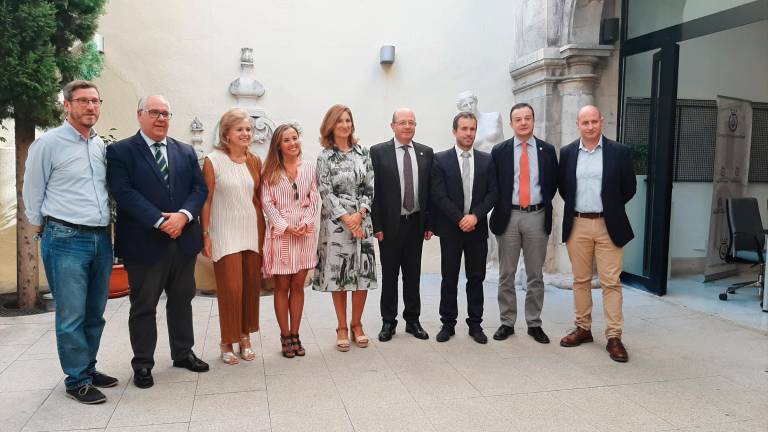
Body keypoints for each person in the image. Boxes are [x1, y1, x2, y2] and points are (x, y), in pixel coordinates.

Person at [22, 80, 117, 404]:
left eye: (95, 101)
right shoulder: (48, 144)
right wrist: (41, 231)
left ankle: (87, 368)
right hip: (65, 238)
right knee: (71, 314)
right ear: (67, 104)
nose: (91, 107)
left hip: (101, 238)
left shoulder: (98, 145)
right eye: (83, 101)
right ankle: (76, 379)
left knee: (95, 312)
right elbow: (32, 191)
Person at [106, 95, 209, 389]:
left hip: (183, 241)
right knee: (144, 305)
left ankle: (183, 352)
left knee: (182, 300)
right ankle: (143, 364)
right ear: (140, 115)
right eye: (154, 112)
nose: (161, 118)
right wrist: (161, 220)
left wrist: (183, 216)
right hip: (144, 244)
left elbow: (198, 189)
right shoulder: (120, 151)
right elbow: (123, 193)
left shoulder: (185, 151)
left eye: (165, 113)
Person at [558, 105, 637, 363]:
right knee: (580, 280)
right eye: (585, 123)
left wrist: (611, 208)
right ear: (578, 125)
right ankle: (583, 328)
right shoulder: (568, 153)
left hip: (608, 225)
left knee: (610, 282)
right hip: (578, 223)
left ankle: (614, 336)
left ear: (601, 121)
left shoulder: (620, 152)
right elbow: (564, 188)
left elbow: (629, 188)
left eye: (594, 121)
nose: (590, 127)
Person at [200, 108, 265, 365]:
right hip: (224, 232)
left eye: (248, 129)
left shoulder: (254, 161)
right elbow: (207, 200)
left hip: (251, 230)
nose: (246, 133)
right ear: (226, 133)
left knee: (250, 286)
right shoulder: (212, 160)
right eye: (240, 129)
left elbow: (258, 199)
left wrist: (265, 235)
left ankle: (245, 337)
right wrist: (205, 234)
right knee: (231, 288)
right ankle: (227, 341)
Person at [489, 103, 558, 344]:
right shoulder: (500, 150)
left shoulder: (547, 150)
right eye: (518, 119)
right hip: (508, 216)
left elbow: (554, 183)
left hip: (536, 216)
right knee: (506, 273)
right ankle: (507, 322)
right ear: (511, 124)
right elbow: (493, 184)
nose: (523, 122)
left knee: (535, 274)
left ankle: (534, 323)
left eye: (527, 118)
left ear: (533, 120)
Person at [313, 104, 377, 352]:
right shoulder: (325, 156)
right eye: (339, 121)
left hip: (362, 221)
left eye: (348, 120)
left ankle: (357, 324)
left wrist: (360, 214)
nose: (345, 125)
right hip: (336, 224)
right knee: (340, 275)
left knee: (361, 274)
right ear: (331, 125)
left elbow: (369, 188)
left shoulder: (363, 152)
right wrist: (346, 218)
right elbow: (325, 191)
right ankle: (341, 326)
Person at [430, 112, 497, 344]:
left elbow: (492, 193)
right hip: (451, 228)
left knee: (476, 277)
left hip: (476, 229)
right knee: (449, 277)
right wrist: (460, 218)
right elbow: (438, 195)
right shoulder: (440, 159)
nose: (469, 133)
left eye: (472, 129)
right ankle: (447, 323)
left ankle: (475, 324)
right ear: (454, 131)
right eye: (464, 129)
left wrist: (475, 217)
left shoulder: (487, 160)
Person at [370, 108, 434, 342]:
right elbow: (373, 192)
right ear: (393, 126)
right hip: (389, 225)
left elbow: (430, 191)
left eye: (411, 123)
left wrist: (430, 223)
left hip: (416, 223)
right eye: (403, 122)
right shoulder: (378, 152)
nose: (407, 126)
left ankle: (413, 320)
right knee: (389, 275)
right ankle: (388, 322)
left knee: (413, 274)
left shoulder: (426, 153)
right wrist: (376, 225)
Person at [261, 123, 319, 358]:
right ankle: (285, 335)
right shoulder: (269, 172)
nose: (293, 143)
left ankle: (296, 333)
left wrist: (306, 222)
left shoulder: (309, 168)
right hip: (281, 234)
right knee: (282, 286)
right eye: (287, 140)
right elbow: (267, 203)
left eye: (295, 138)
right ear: (278, 145)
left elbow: (314, 197)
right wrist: (285, 227)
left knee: (298, 286)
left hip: (304, 234)